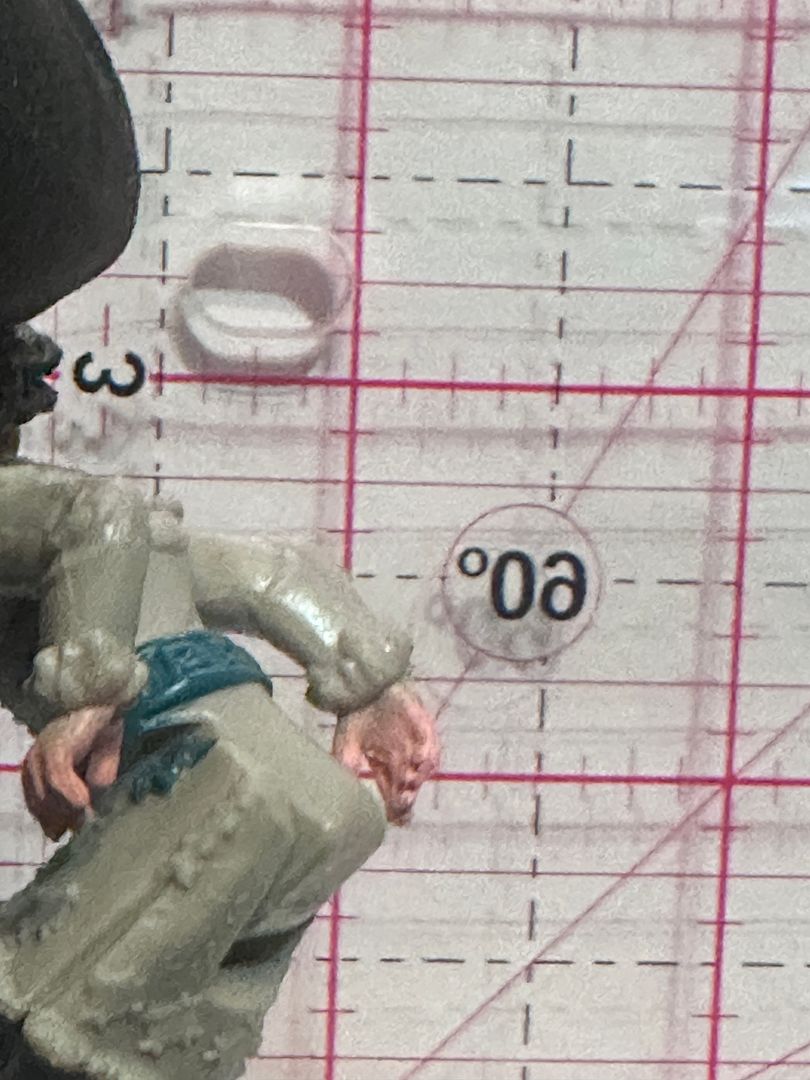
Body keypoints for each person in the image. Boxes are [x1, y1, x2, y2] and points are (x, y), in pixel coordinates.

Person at [0, 3, 439, 1077]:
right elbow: (260, 569)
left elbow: (103, 522)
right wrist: (368, 679)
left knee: (51, 1021)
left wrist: (87, 696)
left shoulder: (54, 530)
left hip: (195, 782)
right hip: (286, 798)